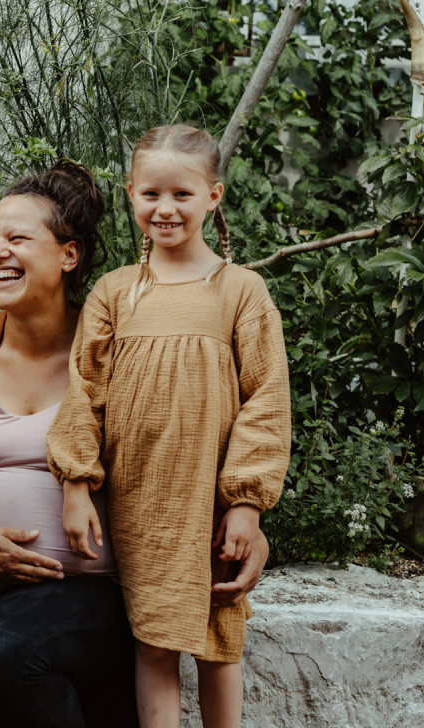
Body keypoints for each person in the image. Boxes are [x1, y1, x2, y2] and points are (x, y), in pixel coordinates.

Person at [0, 161, 271, 728]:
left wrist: (243, 513)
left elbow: (181, 447)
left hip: (88, 587)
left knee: (3, 652)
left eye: (16, 238)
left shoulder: (119, 350)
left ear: (68, 255)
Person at [50, 125, 291, 728]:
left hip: (210, 500)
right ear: (131, 194)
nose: (165, 209)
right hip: (140, 500)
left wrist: (246, 504)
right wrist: (76, 483)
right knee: (153, 640)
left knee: (217, 636)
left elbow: (266, 399)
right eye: (151, 194)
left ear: (214, 196)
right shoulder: (114, 293)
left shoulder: (241, 291)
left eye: (181, 195)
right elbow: (84, 390)